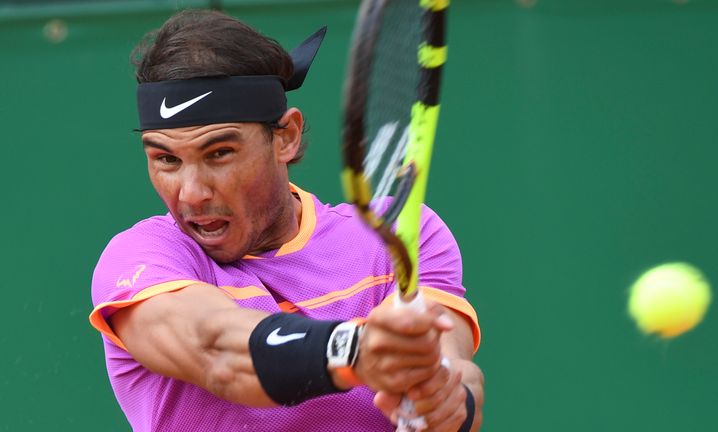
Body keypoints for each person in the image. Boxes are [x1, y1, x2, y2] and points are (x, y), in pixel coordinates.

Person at [89, 9, 483, 432]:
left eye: (219, 154)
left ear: (286, 137)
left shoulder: (402, 233)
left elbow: (457, 370)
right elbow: (217, 350)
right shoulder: (141, 259)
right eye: (166, 159)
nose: (190, 192)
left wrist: (448, 402)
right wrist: (357, 350)